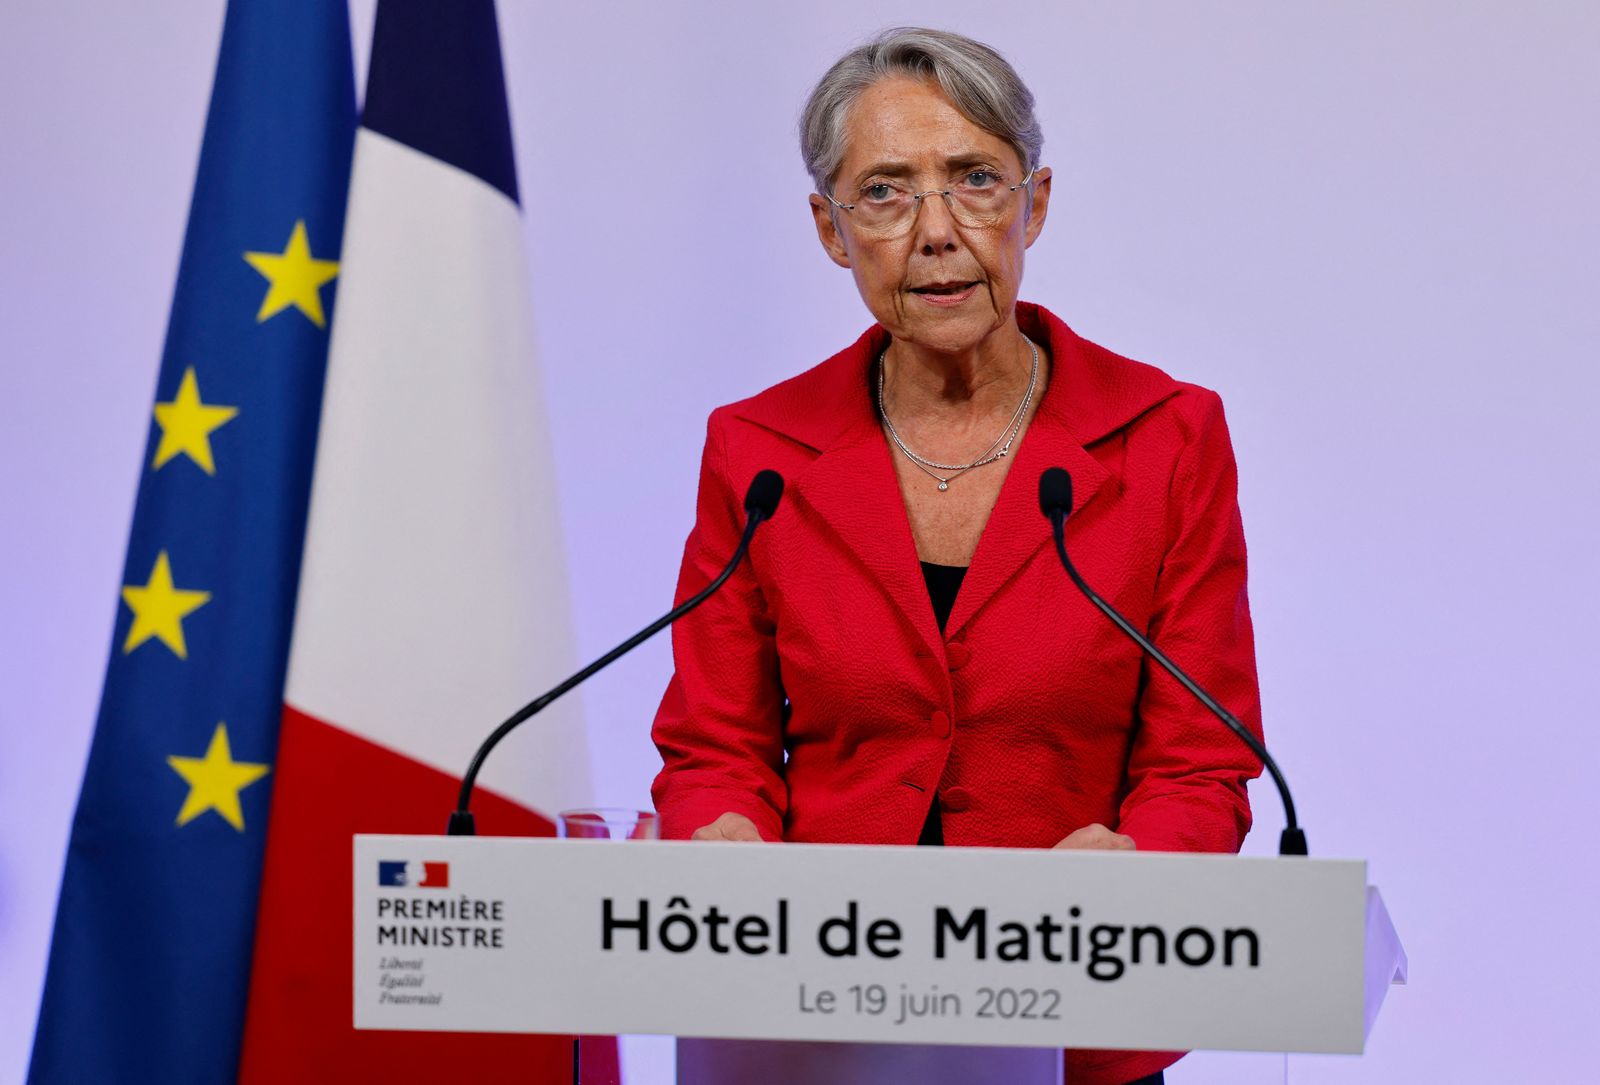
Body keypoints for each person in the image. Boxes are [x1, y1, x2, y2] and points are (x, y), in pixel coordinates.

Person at [651, 27, 1263, 1085]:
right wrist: (724, 834)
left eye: (975, 179)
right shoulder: (757, 450)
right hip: (813, 1010)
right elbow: (714, 743)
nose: (936, 232)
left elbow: (1200, 758)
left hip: (1076, 1003)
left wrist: (1142, 865)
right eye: (884, 192)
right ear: (831, 229)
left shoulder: (1166, 436)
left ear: (1034, 204)